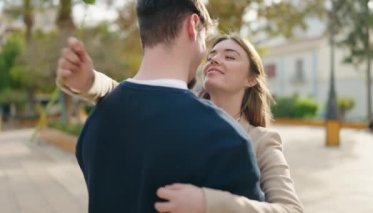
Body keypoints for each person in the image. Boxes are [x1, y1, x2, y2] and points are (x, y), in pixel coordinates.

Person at [58, 32, 304, 212]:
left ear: (251, 79)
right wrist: (88, 81)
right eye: (212, 55)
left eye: (229, 56)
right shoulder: (180, 110)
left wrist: (209, 203)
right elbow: (125, 90)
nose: (215, 60)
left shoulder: (262, 140)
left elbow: (291, 210)